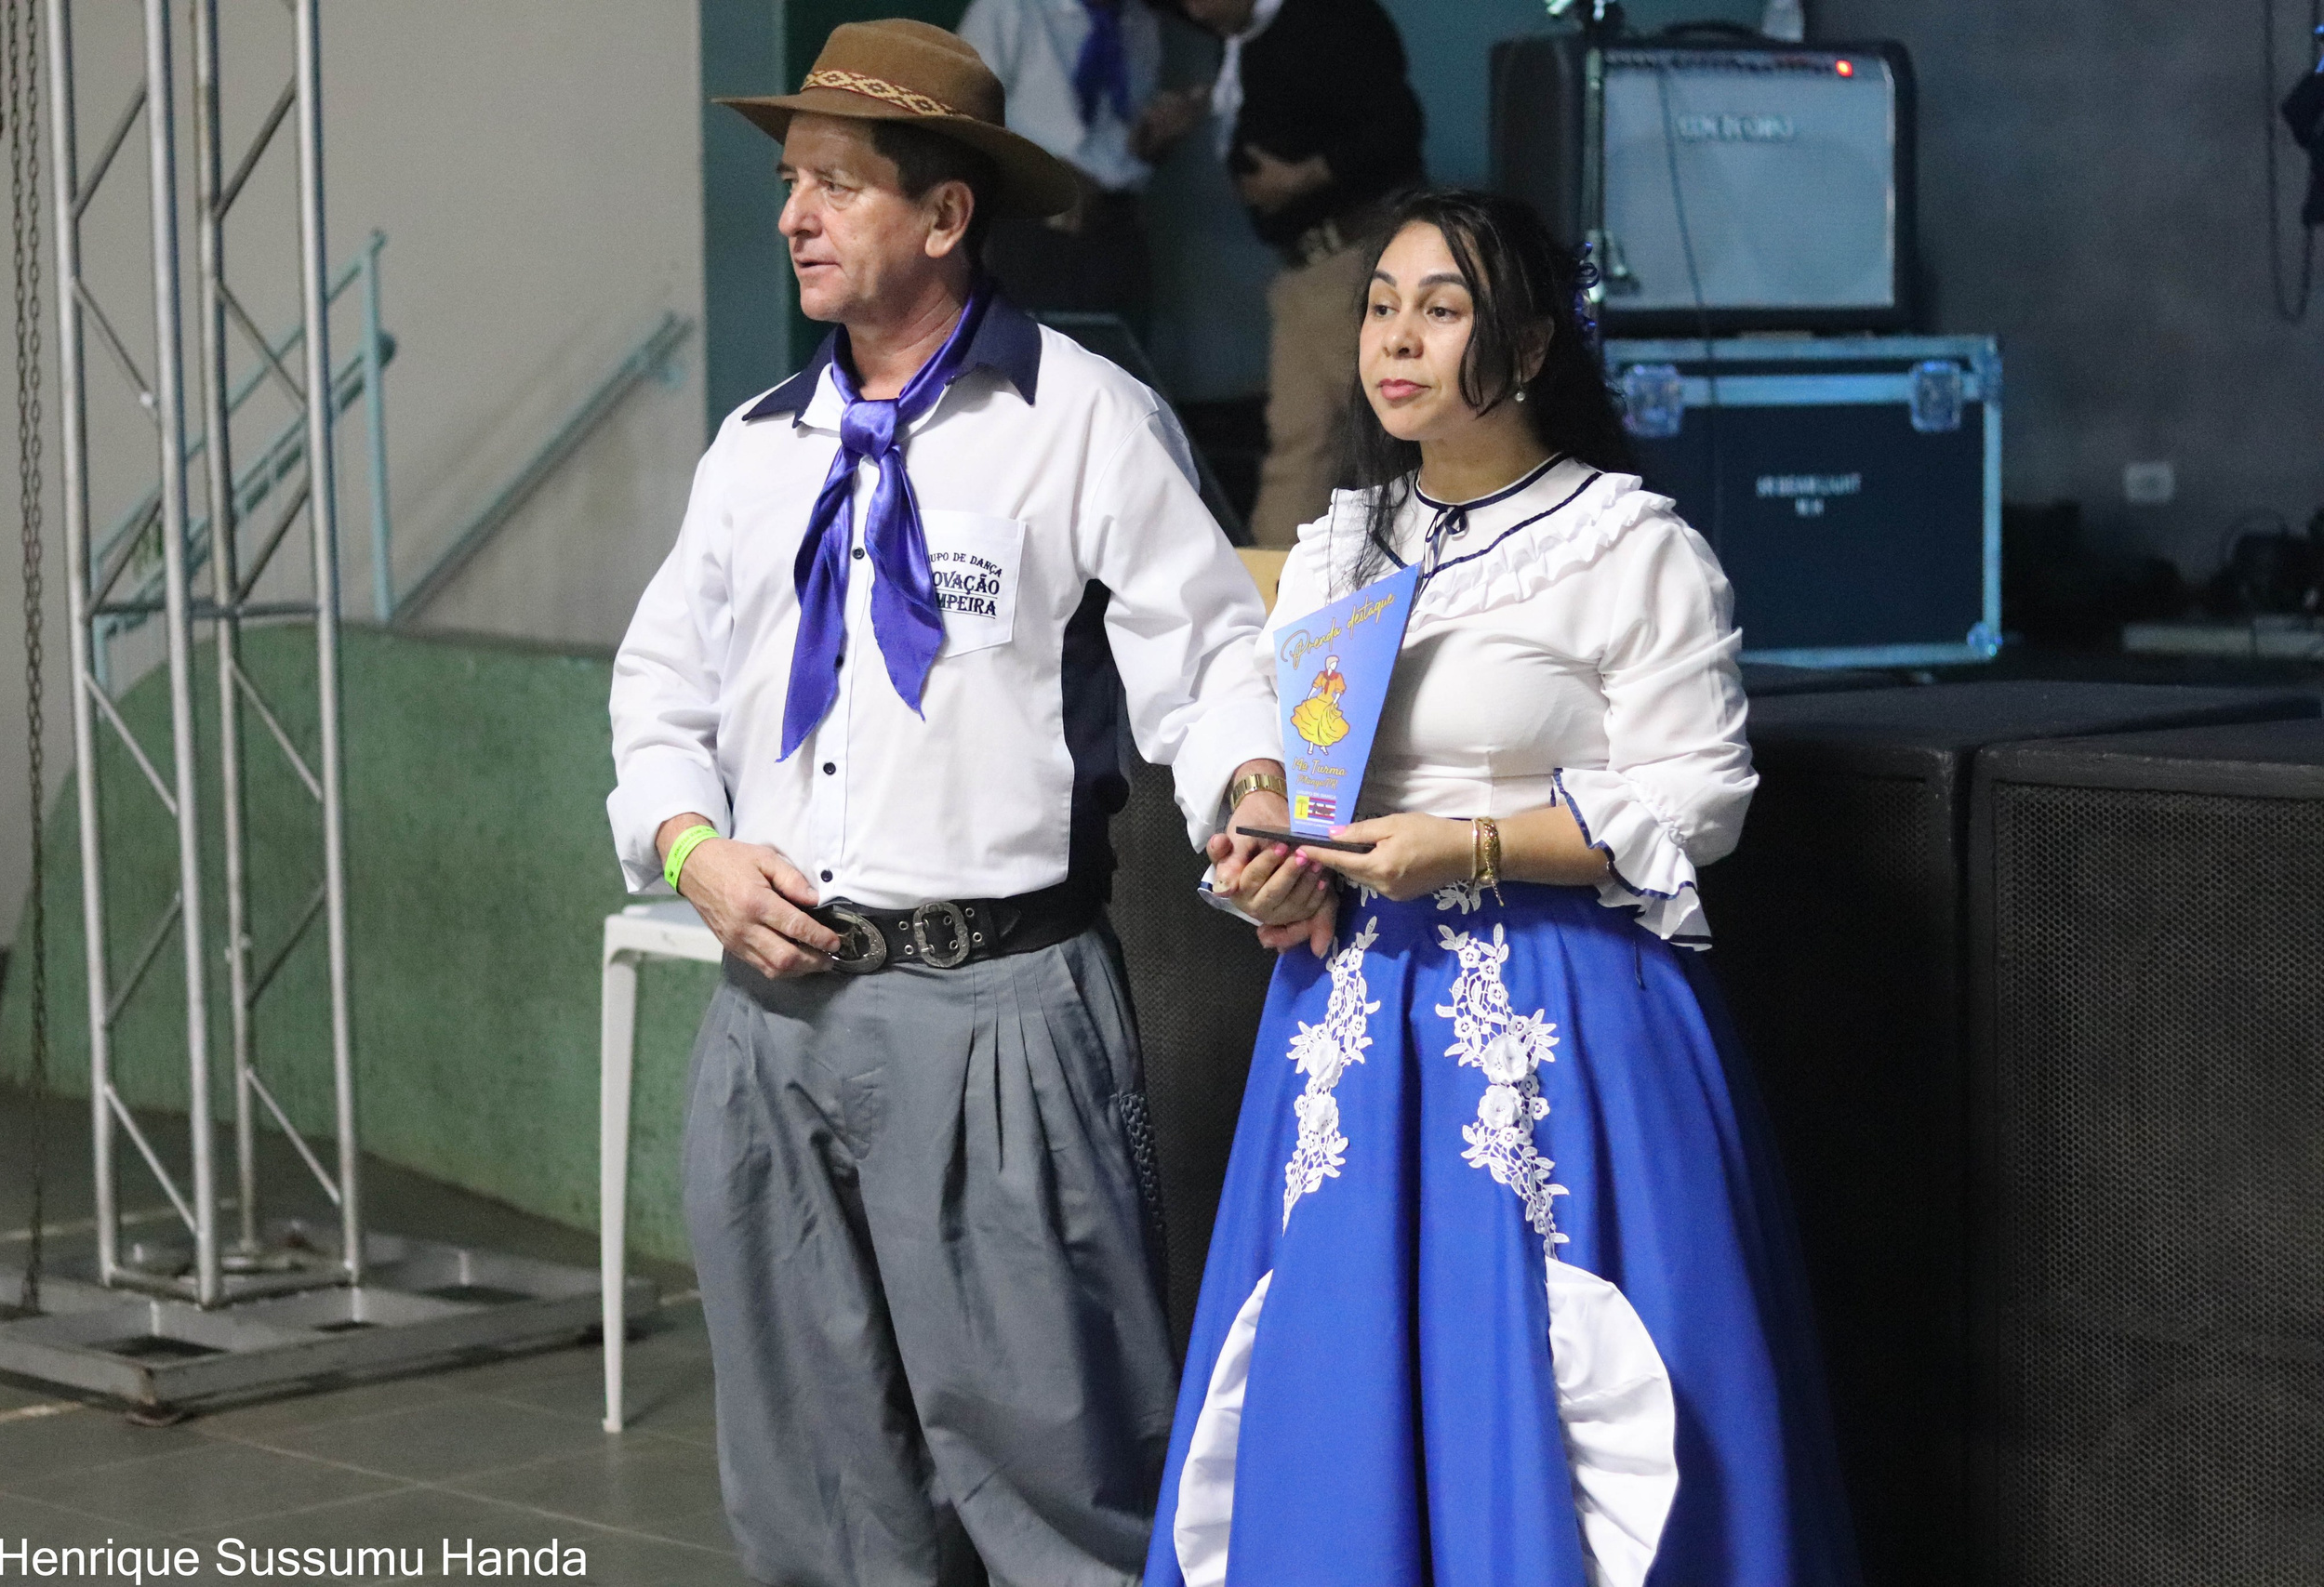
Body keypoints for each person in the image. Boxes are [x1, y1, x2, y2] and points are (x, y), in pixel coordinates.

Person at [609, 21, 1296, 1586]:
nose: (795, 216)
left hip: (995, 1006)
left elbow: (1209, 660)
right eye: (790, 184)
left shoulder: (1082, 419)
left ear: (944, 215)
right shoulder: (756, 450)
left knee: (1058, 1471)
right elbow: (656, 695)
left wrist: (1252, 791)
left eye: (836, 184)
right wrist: (694, 850)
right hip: (772, 1018)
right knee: (813, 1484)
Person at [1147, 189, 1861, 1587]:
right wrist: (1262, 827)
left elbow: (1697, 794)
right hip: (1353, 1025)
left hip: (1555, 1019)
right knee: (1339, 1365)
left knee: (1570, 1384)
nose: (1395, 339)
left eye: (1441, 309)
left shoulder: (1627, 545)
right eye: (1380, 307)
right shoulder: (1343, 544)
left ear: (1528, 348)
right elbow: (1259, 720)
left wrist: (1470, 847)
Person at [1176, 0, 1425, 549]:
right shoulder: (1238, 42)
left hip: (1360, 257)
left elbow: (1397, 124)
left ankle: (1430, 574)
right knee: (1300, 444)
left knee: (1395, 436)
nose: (1192, 10)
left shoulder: (1329, 18)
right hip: (1303, 268)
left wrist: (1305, 176)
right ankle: (1272, 591)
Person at [956, 0, 1210, 327]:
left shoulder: (1139, 22)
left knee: (1115, 349)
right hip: (1032, 231)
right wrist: (1046, 178)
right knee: (1029, 351)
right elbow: (964, 121)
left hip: (1116, 228)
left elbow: (1123, 142)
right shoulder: (1010, 9)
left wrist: (1155, 139)